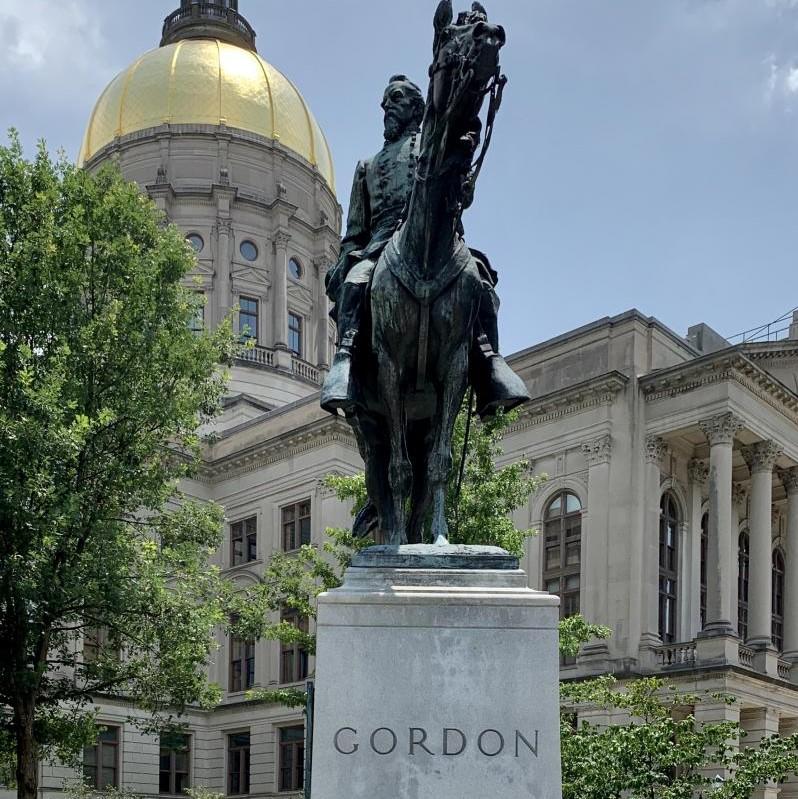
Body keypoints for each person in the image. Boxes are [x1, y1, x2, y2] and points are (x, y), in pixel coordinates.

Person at [321, 74, 528, 419]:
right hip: (380, 245)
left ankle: (490, 361)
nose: (387, 107)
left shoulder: (434, 150)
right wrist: (343, 263)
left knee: (481, 284)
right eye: (385, 102)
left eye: (396, 99)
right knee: (356, 282)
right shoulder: (367, 168)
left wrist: (463, 183)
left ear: (415, 108)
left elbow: (459, 195)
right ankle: (345, 361)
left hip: (438, 238)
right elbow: (355, 232)